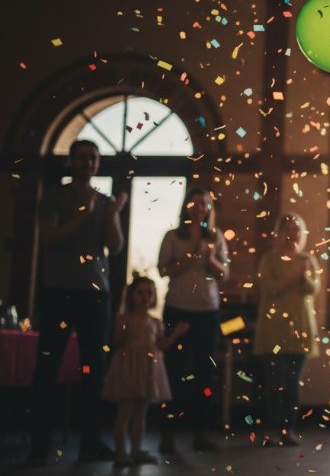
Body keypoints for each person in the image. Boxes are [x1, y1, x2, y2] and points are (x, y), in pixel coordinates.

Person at [27, 139, 127, 466]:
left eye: (93, 158)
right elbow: (50, 237)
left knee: (93, 370)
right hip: (58, 292)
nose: (88, 162)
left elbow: (114, 247)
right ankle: (39, 446)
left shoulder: (104, 200)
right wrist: (84, 216)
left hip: (95, 295)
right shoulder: (55, 196)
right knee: (47, 367)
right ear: (71, 162)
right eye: (82, 157)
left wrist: (110, 215)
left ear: (98, 163)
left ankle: (91, 442)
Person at [158, 186, 230, 453]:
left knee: (205, 375)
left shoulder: (217, 236)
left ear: (209, 208)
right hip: (178, 310)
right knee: (173, 373)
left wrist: (210, 259)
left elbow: (225, 275)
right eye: (195, 203)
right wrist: (190, 256)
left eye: (205, 203)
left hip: (207, 313)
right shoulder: (173, 237)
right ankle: (167, 434)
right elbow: (163, 269)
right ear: (186, 207)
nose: (199, 207)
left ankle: (201, 433)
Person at [103, 276, 189, 467]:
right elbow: (117, 342)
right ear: (131, 296)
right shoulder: (123, 318)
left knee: (141, 412)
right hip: (130, 367)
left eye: (149, 293)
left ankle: (136, 449)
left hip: (148, 368)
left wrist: (176, 333)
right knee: (125, 411)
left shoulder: (156, 321)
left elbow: (161, 344)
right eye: (140, 293)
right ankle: (120, 452)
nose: (145, 297)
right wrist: (124, 328)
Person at [253, 213, 321, 447]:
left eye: (296, 229)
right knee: (274, 383)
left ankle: (288, 429)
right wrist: (294, 276)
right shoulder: (269, 260)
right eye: (287, 229)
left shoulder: (307, 259)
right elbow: (269, 288)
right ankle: (271, 430)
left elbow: (313, 289)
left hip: (300, 327)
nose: (291, 234)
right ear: (279, 233)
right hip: (274, 329)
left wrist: (304, 278)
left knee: (293, 383)